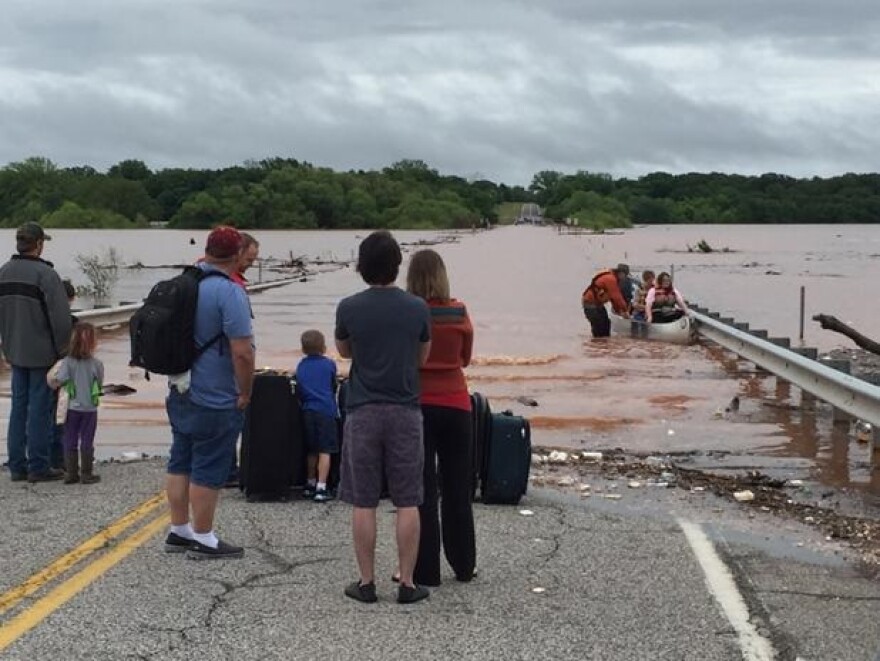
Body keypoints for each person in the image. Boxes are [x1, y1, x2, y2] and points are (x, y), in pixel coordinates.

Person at [335, 230, 432, 604]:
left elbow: (344, 351)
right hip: (405, 408)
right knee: (408, 499)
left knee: (364, 500)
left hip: (363, 408)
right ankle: (407, 582)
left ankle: (366, 581)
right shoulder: (417, 308)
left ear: (362, 266)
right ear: (396, 265)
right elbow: (421, 359)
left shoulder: (349, 307)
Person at [163, 225, 255, 560]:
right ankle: (203, 537)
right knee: (209, 466)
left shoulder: (186, 283)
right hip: (215, 393)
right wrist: (245, 391)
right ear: (236, 254)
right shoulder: (229, 292)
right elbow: (242, 351)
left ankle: (178, 529)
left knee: (180, 460)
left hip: (180, 387)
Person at [404, 249, 476, 586]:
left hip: (418, 404)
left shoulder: (408, 312)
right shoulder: (458, 310)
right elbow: (466, 358)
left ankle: (426, 569)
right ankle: (463, 564)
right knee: (458, 487)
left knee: (423, 490)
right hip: (457, 404)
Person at [0, 222, 72, 482]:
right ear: (39, 244)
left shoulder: (3, 272)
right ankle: (39, 465)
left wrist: (6, 346)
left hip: (14, 352)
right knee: (40, 410)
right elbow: (61, 319)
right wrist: (64, 350)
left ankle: (17, 465)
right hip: (43, 355)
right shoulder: (46, 275)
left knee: (19, 408)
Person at [47, 322, 104, 484]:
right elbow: (99, 383)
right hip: (90, 408)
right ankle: (86, 473)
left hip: (71, 407)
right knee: (87, 439)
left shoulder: (67, 362)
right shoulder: (97, 364)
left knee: (69, 438)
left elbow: (61, 378)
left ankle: (71, 473)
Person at [223, 232, 259, 488]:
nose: (251, 264)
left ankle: (227, 467)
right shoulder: (231, 287)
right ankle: (227, 470)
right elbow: (241, 347)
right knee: (230, 417)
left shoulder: (202, 278)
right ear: (237, 252)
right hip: (227, 368)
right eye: (249, 258)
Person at [295, 329, 339, 503]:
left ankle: (310, 483)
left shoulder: (301, 365)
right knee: (326, 450)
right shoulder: (329, 364)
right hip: (326, 410)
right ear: (323, 346)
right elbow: (332, 384)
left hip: (308, 409)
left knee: (311, 449)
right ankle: (322, 487)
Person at [581, 265, 630, 338]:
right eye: (625, 276)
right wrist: (625, 311)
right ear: (621, 273)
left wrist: (619, 312)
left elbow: (613, 299)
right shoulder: (610, 279)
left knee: (606, 324)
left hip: (598, 305)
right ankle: (598, 346)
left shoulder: (613, 278)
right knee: (599, 327)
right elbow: (616, 297)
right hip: (590, 305)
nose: (625, 278)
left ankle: (604, 346)